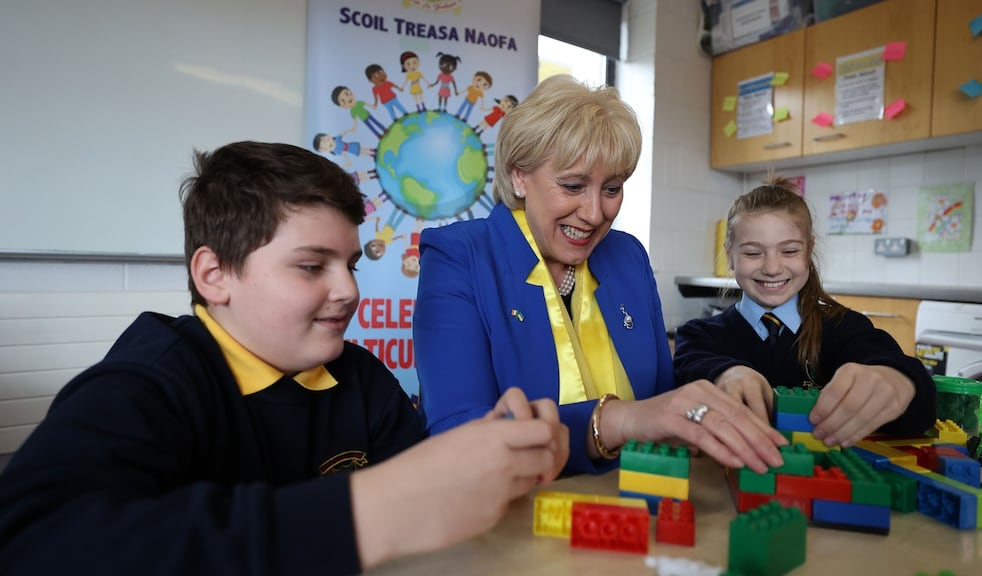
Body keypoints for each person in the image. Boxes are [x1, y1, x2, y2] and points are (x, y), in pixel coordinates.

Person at [0, 141, 568, 575]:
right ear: (214, 274)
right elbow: (31, 544)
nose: (348, 291)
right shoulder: (148, 383)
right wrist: (365, 510)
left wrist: (492, 465)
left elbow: (431, 508)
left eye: (351, 265)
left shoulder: (359, 378)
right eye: (311, 266)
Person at [413, 75, 786, 477]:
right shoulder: (459, 256)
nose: (594, 213)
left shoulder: (627, 255)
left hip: (639, 508)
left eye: (612, 188)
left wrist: (721, 376)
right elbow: (459, 439)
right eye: (573, 185)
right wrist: (619, 420)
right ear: (519, 176)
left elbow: (662, 392)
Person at [673, 178, 936, 448]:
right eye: (753, 253)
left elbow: (918, 402)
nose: (772, 267)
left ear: (808, 251)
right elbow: (690, 370)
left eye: (789, 251)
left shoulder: (845, 328)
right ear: (729, 256)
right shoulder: (699, 335)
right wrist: (726, 373)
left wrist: (899, 380)